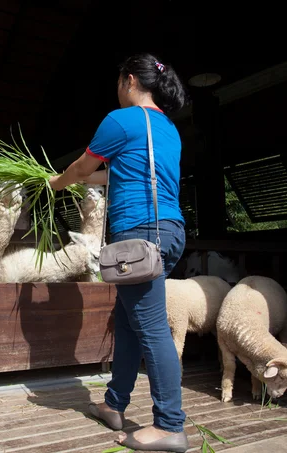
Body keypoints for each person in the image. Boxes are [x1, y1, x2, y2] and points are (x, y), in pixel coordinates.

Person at [49, 52, 189, 452]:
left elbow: (79, 168)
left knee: (151, 328)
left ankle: (170, 426)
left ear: (129, 81)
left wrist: (54, 183)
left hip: (139, 235)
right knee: (127, 321)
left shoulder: (121, 120)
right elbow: (114, 172)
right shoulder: (167, 129)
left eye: (118, 82)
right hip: (169, 232)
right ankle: (113, 405)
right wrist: (74, 180)